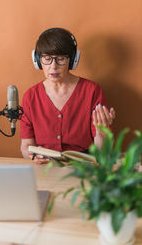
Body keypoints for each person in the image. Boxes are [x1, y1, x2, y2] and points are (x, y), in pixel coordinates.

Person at [20, 28, 115, 164]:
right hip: (45, 168)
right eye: (47, 59)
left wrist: (102, 135)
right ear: (37, 60)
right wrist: (32, 155)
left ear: (72, 60)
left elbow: (103, 154)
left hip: (82, 168)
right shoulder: (30, 96)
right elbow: (25, 145)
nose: (53, 66)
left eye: (61, 59)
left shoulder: (92, 91)